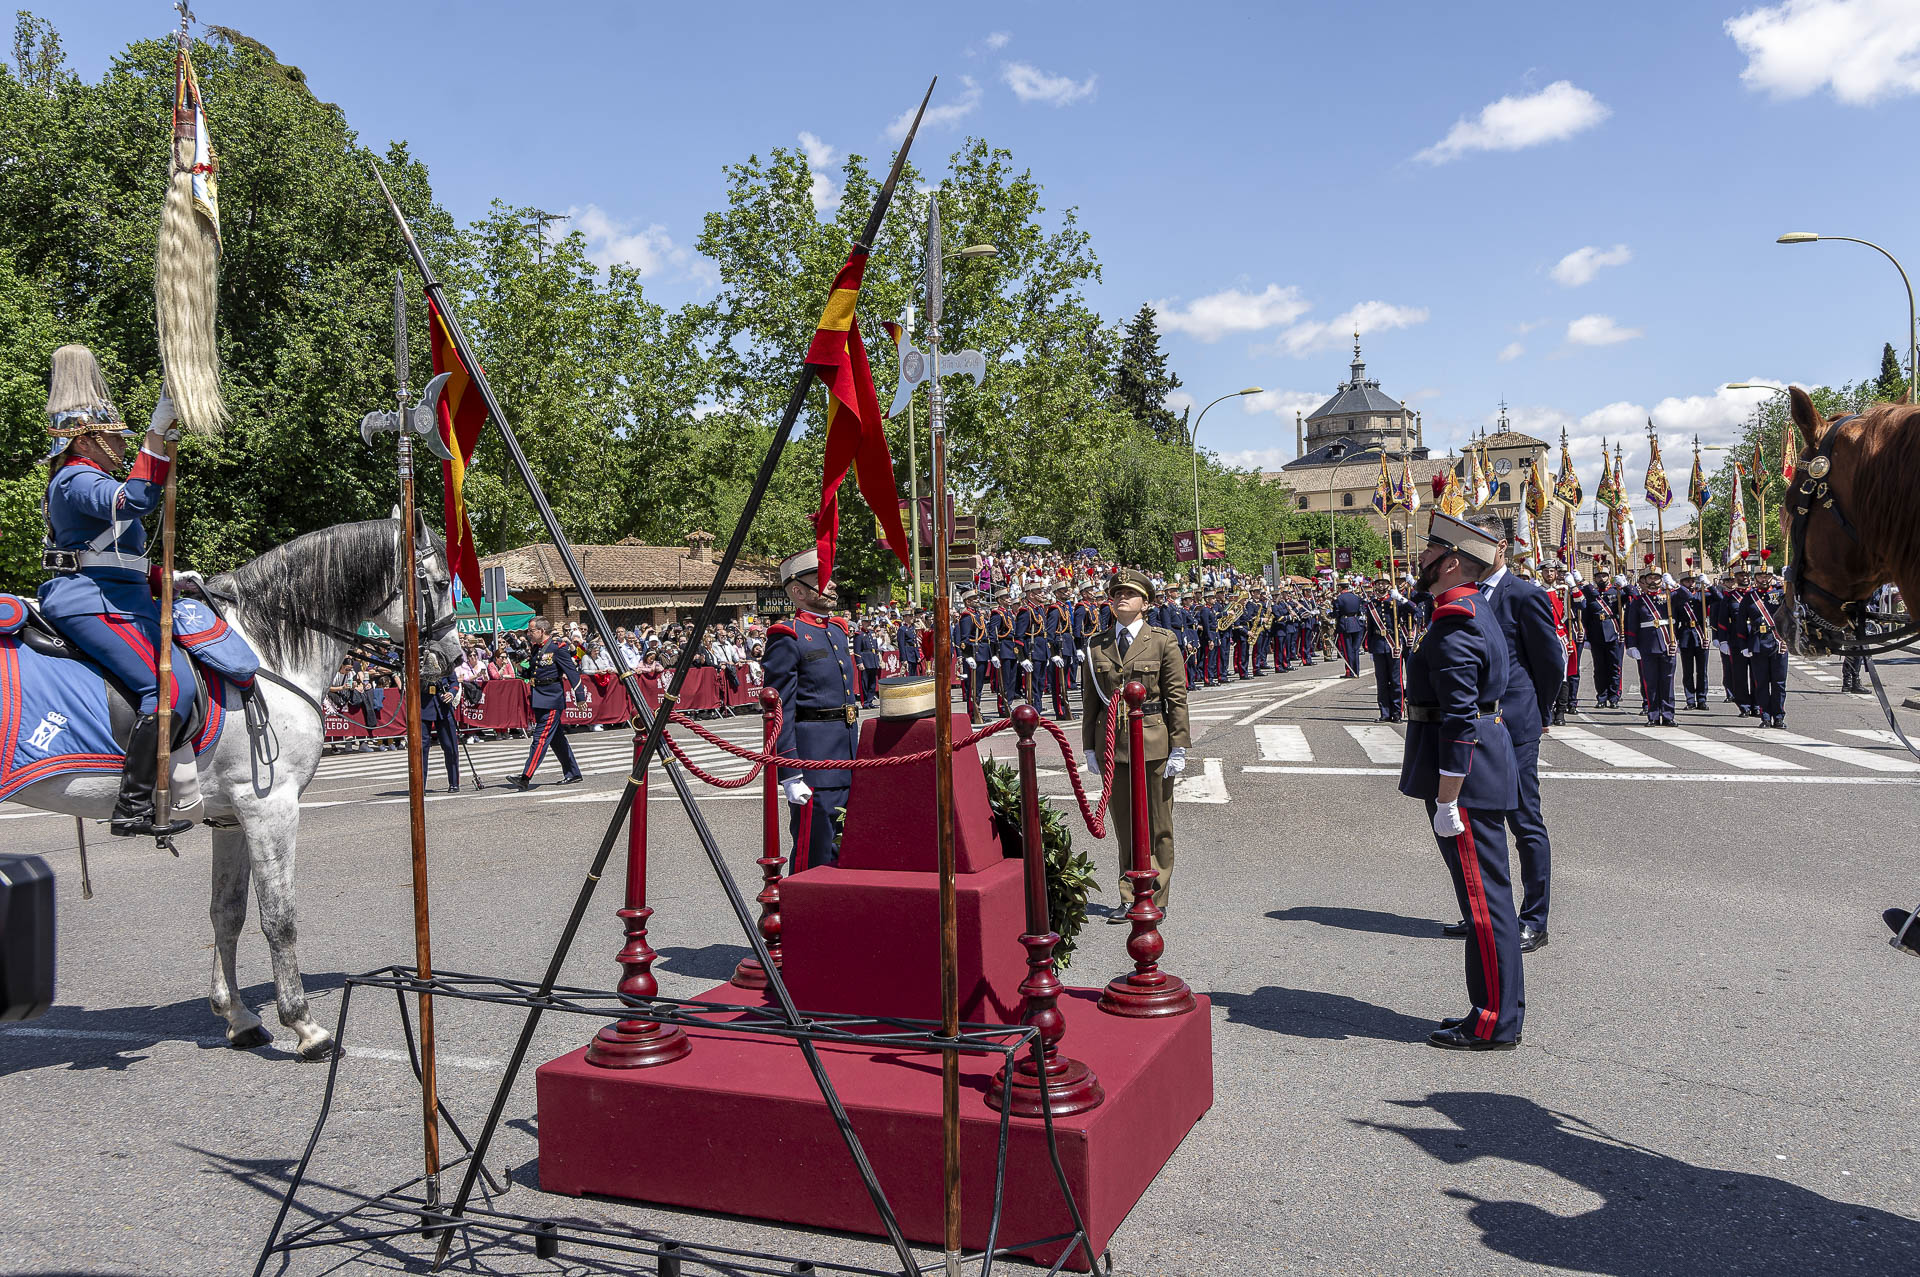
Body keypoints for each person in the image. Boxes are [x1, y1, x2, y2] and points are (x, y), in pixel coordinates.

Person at [36, 347, 197, 839]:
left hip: (121, 596)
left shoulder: (90, 473)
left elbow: (117, 557)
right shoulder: (75, 478)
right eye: (114, 438)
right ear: (86, 441)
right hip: (90, 600)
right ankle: (132, 805)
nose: (122, 446)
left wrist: (165, 580)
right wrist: (156, 432)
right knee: (165, 688)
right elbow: (135, 500)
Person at [1399, 510, 1522, 1051]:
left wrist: (1448, 797)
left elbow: (1459, 717)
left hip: (1464, 781)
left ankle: (1494, 1018)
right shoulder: (1473, 607)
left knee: (1483, 901)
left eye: (1427, 552)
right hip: (1481, 770)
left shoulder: (1455, 621)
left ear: (1449, 562)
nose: (1418, 559)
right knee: (1485, 898)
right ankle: (1490, 1009)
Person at [1440, 515, 1560, 955]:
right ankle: (1484, 913)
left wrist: (1540, 711)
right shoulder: (1460, 596)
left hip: (1513, 725)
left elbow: (1549, 663)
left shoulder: (1524, 595)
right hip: (1472, 727)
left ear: (1502, 547)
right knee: (1474, 823)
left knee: (1524, 821)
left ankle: (1534, 919)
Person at [1081, 568, 1190, 921]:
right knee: (1125, 825)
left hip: (1154, 741)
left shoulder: (1162, 641)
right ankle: (1129, 894)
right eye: (1116, 593)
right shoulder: (1097, 644)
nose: (1120, 597)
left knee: (1158, 824)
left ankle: (1156, 898)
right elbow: (1090, 702)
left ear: (1146, 603)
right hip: (1113, 744)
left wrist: (1179, 745)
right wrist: (1088, 747)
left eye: (1129, 593)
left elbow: (1177, 697)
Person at [762, 549, 859, 871]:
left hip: (848, 756)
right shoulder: (788, 636)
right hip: (813, 762)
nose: (832, 586)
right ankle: (802, 917)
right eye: (823, 580)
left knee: (845, 850)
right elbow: (782, 709)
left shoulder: (837, 630)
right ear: (798, 591)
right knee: (814, 852)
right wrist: (790, 772)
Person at [505, 617, 586, 789]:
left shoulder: (558, 648)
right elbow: (531, 673)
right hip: (539, 697)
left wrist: (580, 696)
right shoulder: (537, 649)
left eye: (532, 631)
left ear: (542, 631)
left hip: (551, 699)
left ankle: (525, 777)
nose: (529, 634)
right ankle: (573, 773)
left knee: (540, 738)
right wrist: (518, 665)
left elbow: (572, 672)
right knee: (557, 740)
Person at [1737, 560, 1789, 728]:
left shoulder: (1781, 593)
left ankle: (1779, 716)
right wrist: (1743, 645)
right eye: (1760, 575)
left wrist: (1789, 581)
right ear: (1755, 577)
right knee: (1761, 683)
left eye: (1767, 575)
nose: (1764, 578)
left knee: (1779, 683)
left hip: (1778, 642)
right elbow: (1740, 623)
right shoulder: (1749, 597)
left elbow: (1793, 609)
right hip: (1758, 643)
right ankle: (1765, 716)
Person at [1625, 564, 1677, 726]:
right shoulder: (1638, 602)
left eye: (1657, 577)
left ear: (1662, 580)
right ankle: (1653, 715)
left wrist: (1674, 585)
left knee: (1668, 683)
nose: (1653, 581)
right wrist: (1631, 645)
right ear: (1645, 581)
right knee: (1651, 683)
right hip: (1647, 646)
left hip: (1668, 644)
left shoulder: (1670, 597)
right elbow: (1631, 625)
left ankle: (1668, 715)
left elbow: (1688, 596)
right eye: (1650, 578)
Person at [1364, 577, 1403, 722]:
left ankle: (1397, 712)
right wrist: (1369, 647)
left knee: (1395, 681)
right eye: (1378, 583)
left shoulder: (1395, 602)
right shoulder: (1371, 605)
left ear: (1389, 585)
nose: (1381, 585)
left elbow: (1413, 609)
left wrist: (1400, 597)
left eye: (1384, 583)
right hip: (1379, 645)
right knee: (1381, 681)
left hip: (1394, 645)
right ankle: (1385, 712)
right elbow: (1369, 627)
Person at [420, 667, 461, 792]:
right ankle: (420, 785)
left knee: (451, 746)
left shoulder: (445, 662)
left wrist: (451, 693)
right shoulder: (419, 660)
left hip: (443, 705)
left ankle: (454, 782)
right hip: (423, 706)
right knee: (421, 749)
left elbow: (454, 682)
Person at [1332, 577, 1366, 677]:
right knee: (1355, 649)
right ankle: (1356, 670)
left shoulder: (1339, 599)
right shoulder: (1356, 597)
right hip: (1356, 623)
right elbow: (1360, 611)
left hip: (1345, 624)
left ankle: (1350, 671)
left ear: (1340, 587)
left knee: (1347, 650)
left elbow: (1336, 613)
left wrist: (1331, 615)